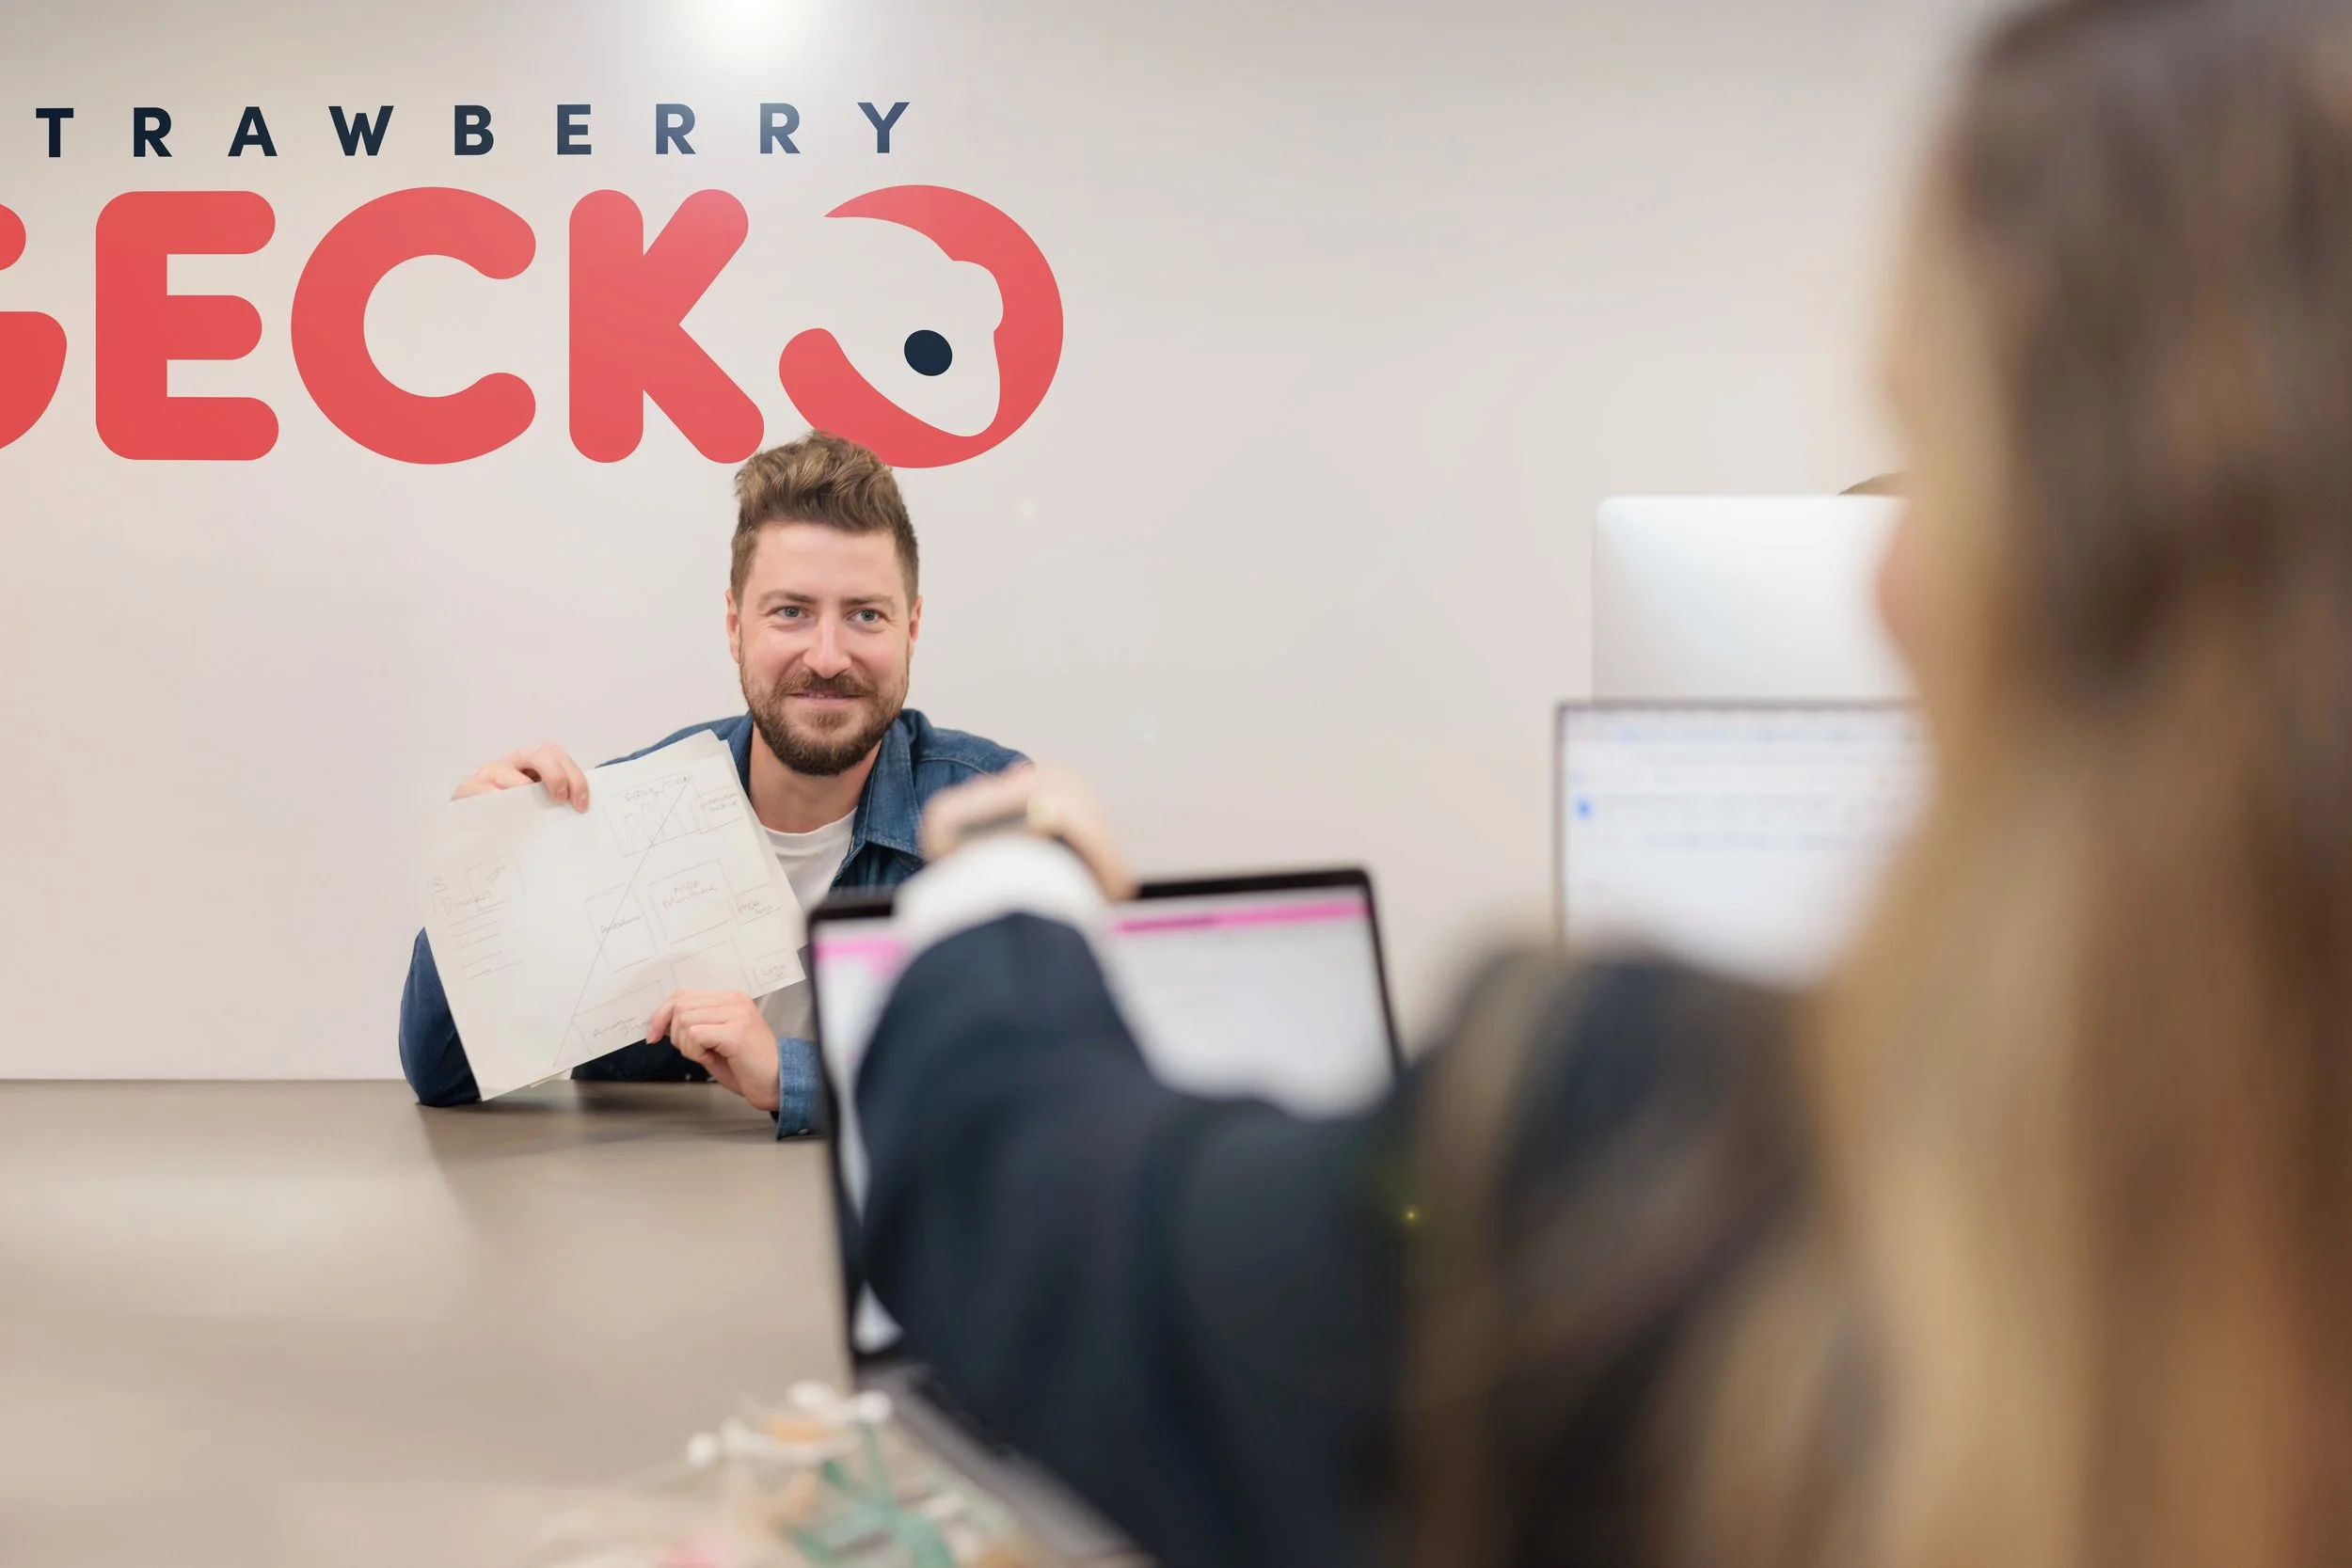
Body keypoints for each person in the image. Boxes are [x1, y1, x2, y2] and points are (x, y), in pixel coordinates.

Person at [848, 4, 2352, 1567]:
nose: (1885, 570)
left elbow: (1052, 1223)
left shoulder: (1666, 1172)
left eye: (1935, 447)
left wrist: (1011, 873)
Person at [399, 432, 1023, 1133]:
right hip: (660, 1226)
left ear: (911, 627)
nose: (826, 655)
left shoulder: (990, 816)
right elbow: (443, 1078)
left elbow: (1037, 1082)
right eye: (791, 611)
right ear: (735, 626)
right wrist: (481, 880)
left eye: (865, 615)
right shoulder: (626, 814)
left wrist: (790, 1073)